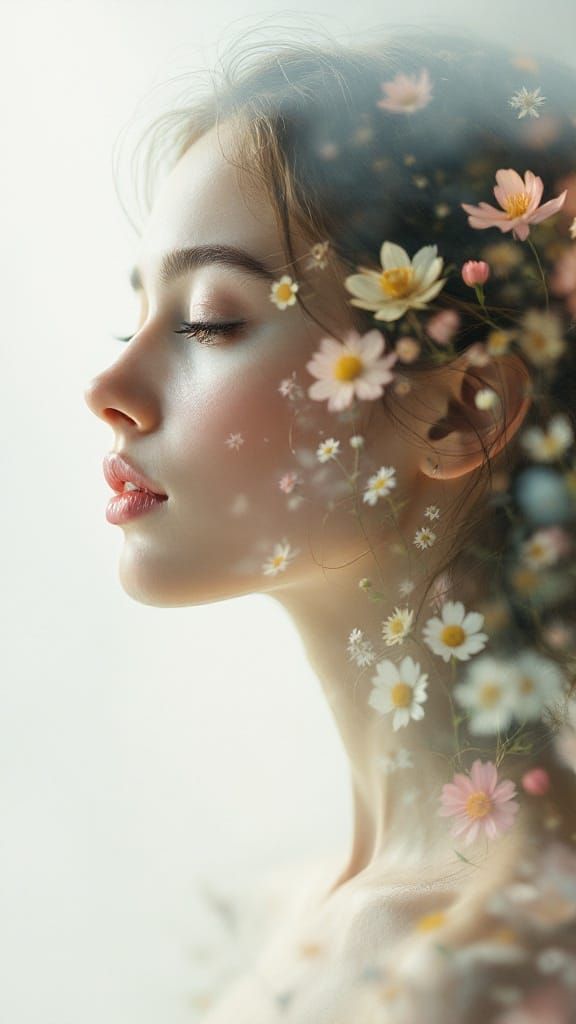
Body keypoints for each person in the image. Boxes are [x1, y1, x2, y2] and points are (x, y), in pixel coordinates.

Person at [84, 21, 576, 1022]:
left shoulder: (507, 964)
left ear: (462, 408)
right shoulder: (282, 920)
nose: (109, 387)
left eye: (209, 319)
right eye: (131, 316)